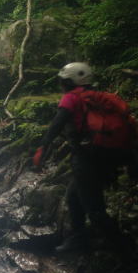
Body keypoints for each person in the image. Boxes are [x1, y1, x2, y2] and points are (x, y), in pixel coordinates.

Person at [33, 62, 137, 252]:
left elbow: (56, 124)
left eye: (63, 81)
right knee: (73, 197)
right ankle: (78, 238)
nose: (61, 85)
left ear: (70, 82)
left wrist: (43, 148)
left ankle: (126, 249)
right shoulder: (99, 97)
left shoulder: (71, 98)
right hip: (107, 158)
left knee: (94, 210)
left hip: (86, 159)